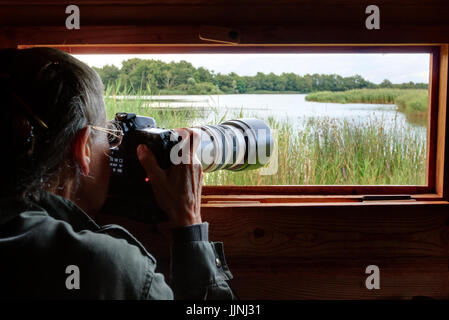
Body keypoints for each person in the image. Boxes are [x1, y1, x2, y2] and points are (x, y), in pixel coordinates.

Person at [0, 47, 236, 299]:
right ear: (83, 148)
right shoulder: (112, 270)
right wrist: (190, 226)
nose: (112, 150)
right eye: (109, 136)